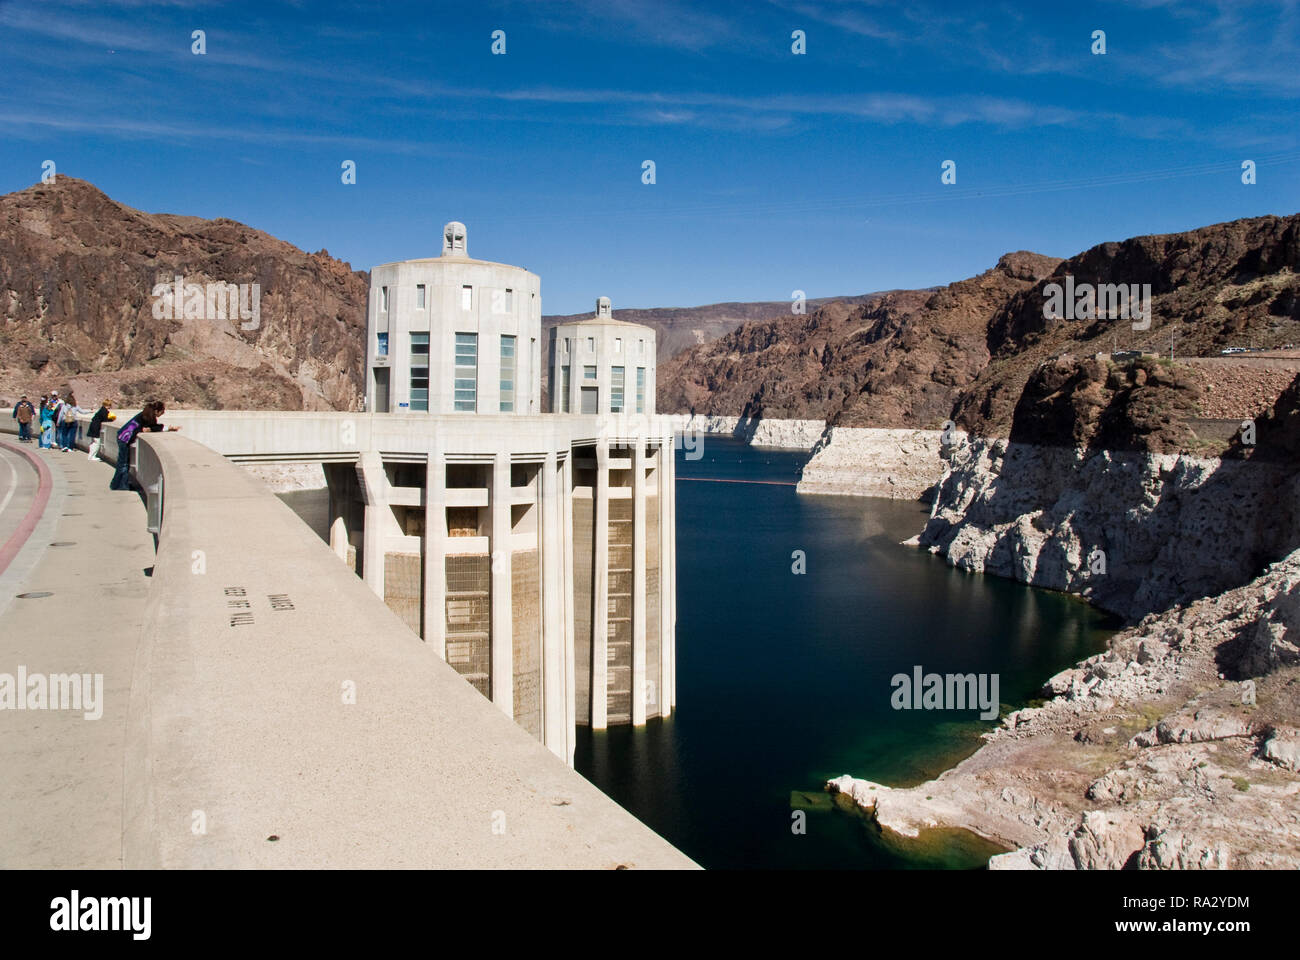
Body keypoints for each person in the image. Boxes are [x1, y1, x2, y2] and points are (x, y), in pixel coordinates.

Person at [109, 400, 180, 491]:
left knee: (123, 463)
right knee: (123, 464)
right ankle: (120, 485)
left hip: (123, 437)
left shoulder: (146, 414)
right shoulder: (148, 416)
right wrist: (168, 428)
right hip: (124, 438)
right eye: (162, 411)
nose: (163, 413)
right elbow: (153, 427)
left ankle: (117, 484)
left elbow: (151, 427)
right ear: (157, 411)